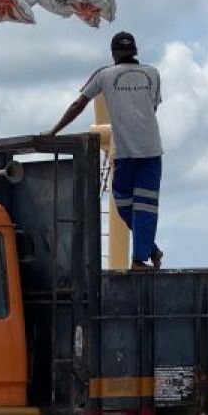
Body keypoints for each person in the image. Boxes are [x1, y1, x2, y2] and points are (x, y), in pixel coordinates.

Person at [47, 31, 163, 270]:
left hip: (129, 152)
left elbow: (78, 104)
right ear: (135, 51)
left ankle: (140, 259)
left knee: (127, 204)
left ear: (113, 54)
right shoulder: (153, 74)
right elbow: (152, 106)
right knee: (140, 206)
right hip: (149, 149)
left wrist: (54, 131)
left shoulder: (104, 74)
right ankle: (150, 249)